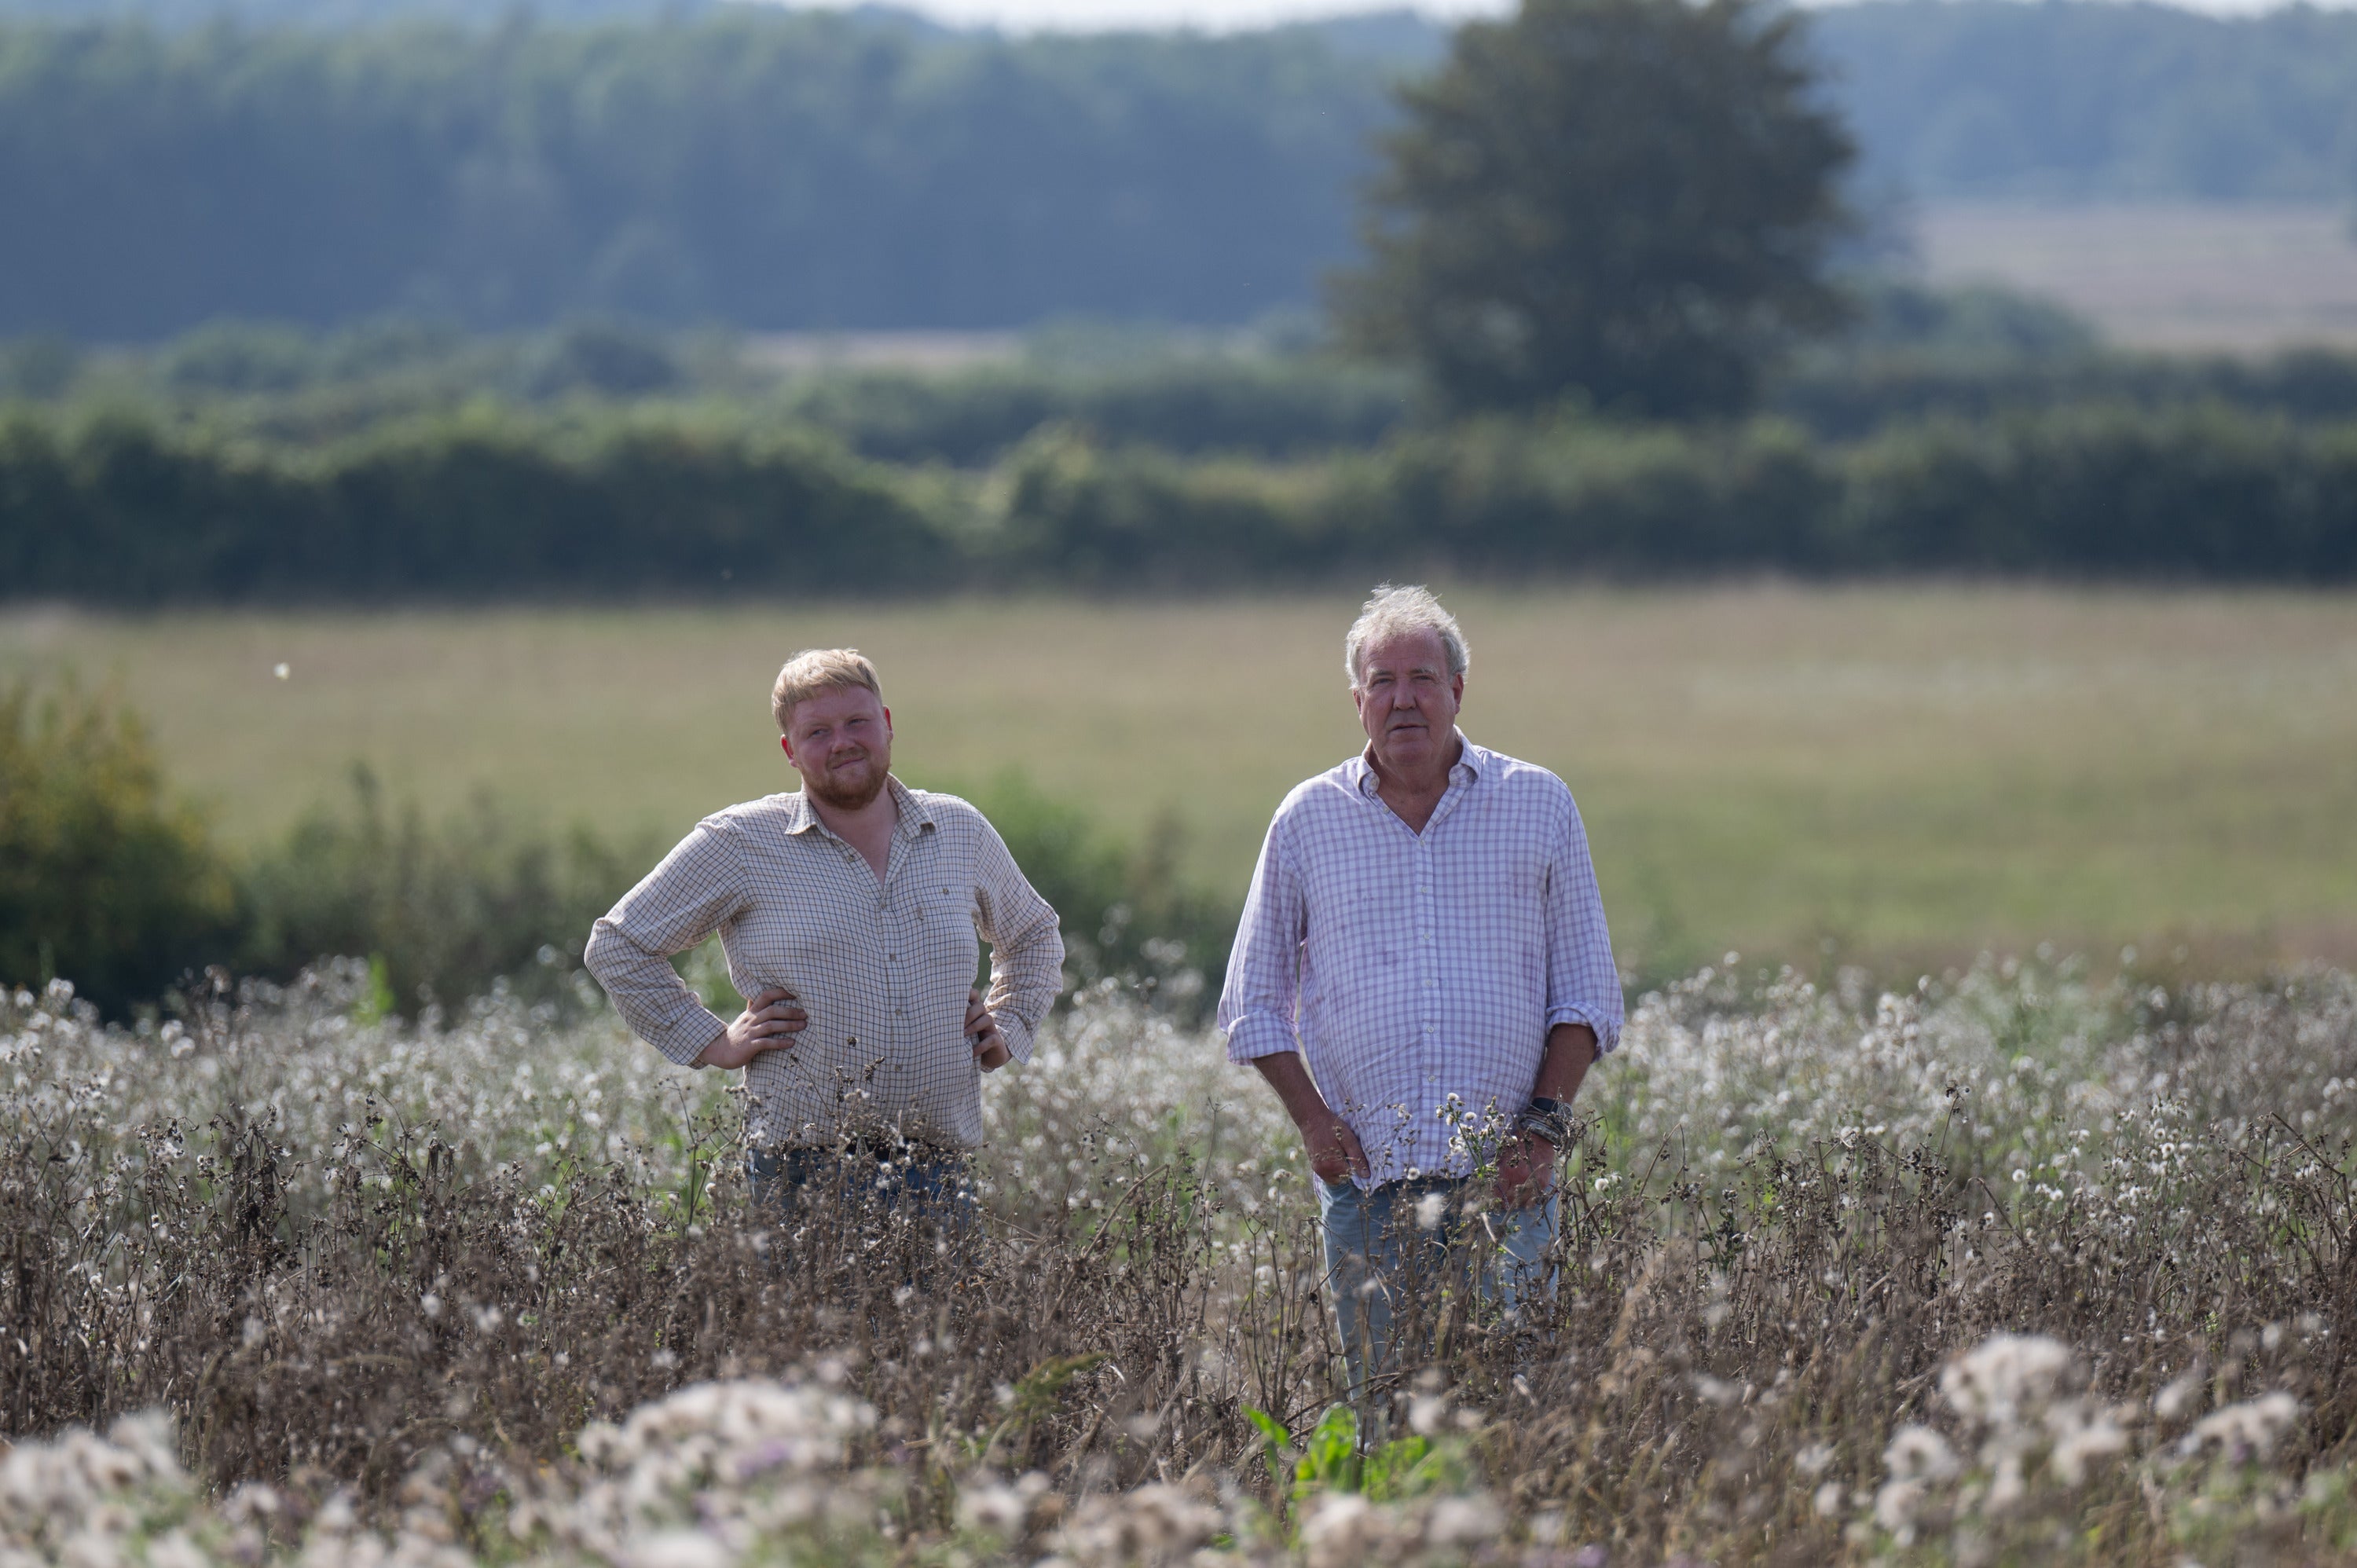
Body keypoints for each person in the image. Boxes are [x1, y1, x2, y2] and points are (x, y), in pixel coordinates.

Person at [1215, 584, 1622, 1397]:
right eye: (1383, 680)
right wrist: (1314, 1125)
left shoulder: (1538, 803)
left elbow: (1586, 994)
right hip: (1368, 1189)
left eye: (1424, 678)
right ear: (1358, 699)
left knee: (1510, 1403)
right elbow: (1251, 1003)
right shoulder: (1306, 819)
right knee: (1384, 1409)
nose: (1404, 698)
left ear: (1458, 691)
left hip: (1509, 1185)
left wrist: (1540, 1135)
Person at [585, 647, 1065, 1231]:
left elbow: (1034, 932)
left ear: (887, 724)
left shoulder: (957, 829)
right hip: (801, 1174)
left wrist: (1009, 1027)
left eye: (858, 722)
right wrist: (712, 1042)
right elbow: (618, 944)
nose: (843, 742)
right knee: (817, 1327)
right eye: (818, 731)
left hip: (939, 1171)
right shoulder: (743, 841)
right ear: (790, 750)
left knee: (942, 1327)